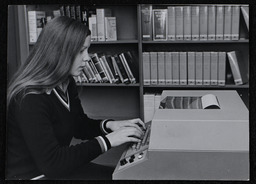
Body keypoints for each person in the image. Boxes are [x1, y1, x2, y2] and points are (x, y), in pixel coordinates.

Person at [6, 16, 145, 180]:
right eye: (81, 51)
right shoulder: (29, 98)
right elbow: (53, 164)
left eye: (87, 49)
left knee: (120, 175)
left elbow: (78, 124)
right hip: (34, 176)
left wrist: (111, 125)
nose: (87, 58)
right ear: (58, 52)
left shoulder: (65, 82)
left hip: (56, 169)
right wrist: (108, 141)